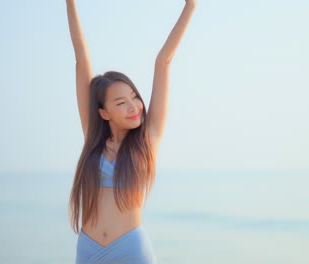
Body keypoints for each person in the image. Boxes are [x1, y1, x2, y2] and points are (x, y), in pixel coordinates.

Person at [65, 0, 197, 263]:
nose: (133, 106)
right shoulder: (93, 136)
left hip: (131, 250)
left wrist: (190, 6)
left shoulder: (148, 140)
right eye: (120, 102)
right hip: (89, 249)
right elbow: (82, 59)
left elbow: (164, 61)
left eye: (134, 97)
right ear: (104, 113)